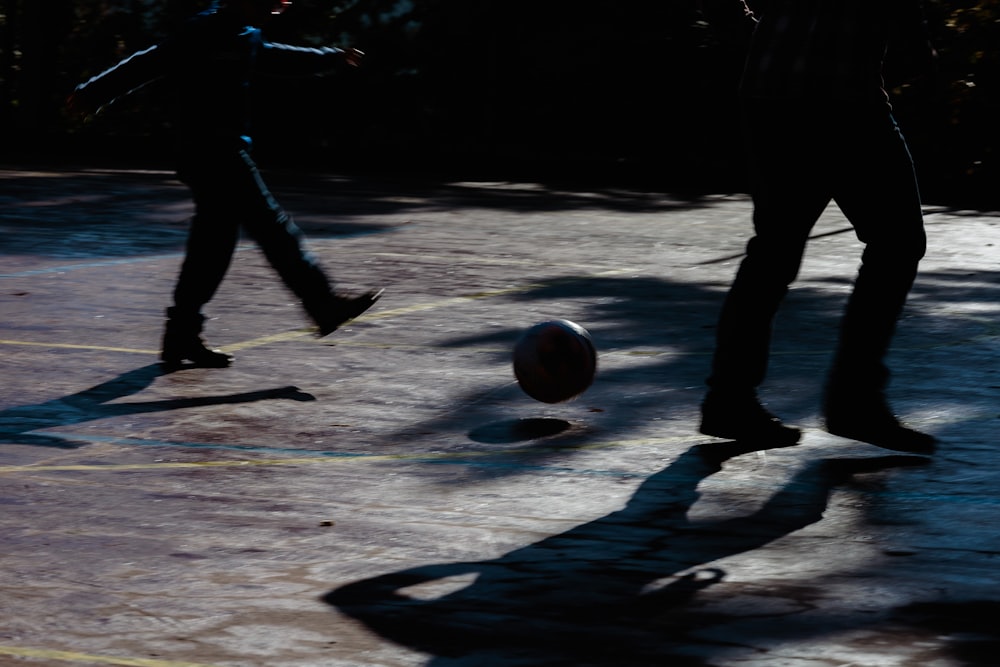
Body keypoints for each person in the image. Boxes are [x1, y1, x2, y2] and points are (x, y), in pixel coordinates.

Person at [68, 0, 382, 371]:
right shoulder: (201, 31)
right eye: (273, 2)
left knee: (211, 247)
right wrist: (92, 93)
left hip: (226, 151)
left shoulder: (247, 36)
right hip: (207, 153)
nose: (277, 10)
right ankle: (322, 305)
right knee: (272, 227)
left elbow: (277, 57)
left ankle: (181, 335)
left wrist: (331, 57)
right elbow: (149, 62)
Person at [698, 0, 938, 454]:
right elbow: (914, 54)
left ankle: (728, 397)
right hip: (843, 100)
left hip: (768, 92)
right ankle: (854, 400)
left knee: (774, 249)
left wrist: (765, 35)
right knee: (897, 241)